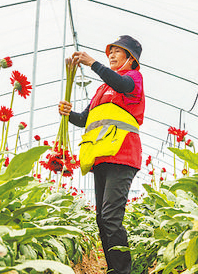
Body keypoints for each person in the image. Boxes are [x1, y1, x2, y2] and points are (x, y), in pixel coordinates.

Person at [58, 35, 144, 274]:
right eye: (110, 52)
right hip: (102, 157)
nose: (112, 55)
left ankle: (122, 271)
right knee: (101, 219)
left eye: (118, 52)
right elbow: (85, 119)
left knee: (110, 217)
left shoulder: (133, 78)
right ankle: (113, 269)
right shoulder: (101, 89)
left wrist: (93, 63)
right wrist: (69, 113)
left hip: (123, 155)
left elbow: (122, 85)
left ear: (131, 58)